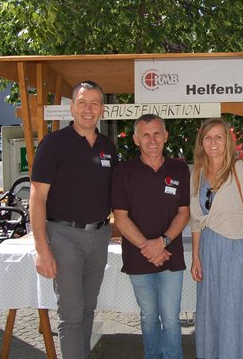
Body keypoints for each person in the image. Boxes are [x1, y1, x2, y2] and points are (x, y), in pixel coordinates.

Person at [30, 80, 118, 357]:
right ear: (72, 107)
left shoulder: (108, 147)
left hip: (100, 235)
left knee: (88, 309)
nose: (88, 109)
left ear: (102, 109)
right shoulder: (53, 144)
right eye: (82, 103)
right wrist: (42, 250)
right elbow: (37, 198)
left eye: (94, 103)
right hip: (64, 236)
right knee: (70, 315)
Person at [111, 114, 190, 359]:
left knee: (171, 317)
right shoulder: (123, 171)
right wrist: (148, 246)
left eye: (157, 133)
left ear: (166, 136)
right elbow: (121, 217)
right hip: (138, 256)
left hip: (171, 256)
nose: (152, 139)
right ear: (136, 139)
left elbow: (184, 212)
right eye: (145, 134)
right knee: (148, 316)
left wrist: (162, 242)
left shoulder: (179, 168)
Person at [190, 118, 243, 359]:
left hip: (235, 249)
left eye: (218, 137)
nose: (213, 142)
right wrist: (195, 257)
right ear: (202, 142)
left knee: (235, 311)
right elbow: (196, 220)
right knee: (211, 311)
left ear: (227, 141)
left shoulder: (240, 170)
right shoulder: (198, 173)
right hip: (208, 250)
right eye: (208, 137)